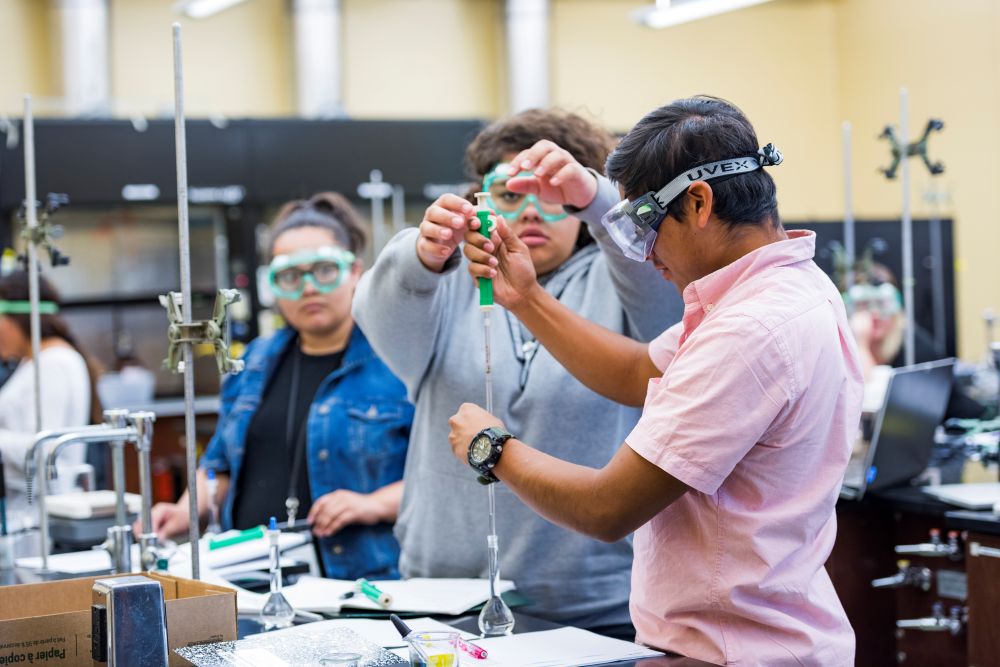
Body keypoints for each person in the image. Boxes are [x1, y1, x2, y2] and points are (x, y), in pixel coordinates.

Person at [450, 96, 863, 665]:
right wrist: (526, 298)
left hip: (734, 651)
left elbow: (607, 509)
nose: (644, 254)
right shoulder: (784, 288)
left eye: (644, 224)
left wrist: (491, 448)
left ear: (698, 202)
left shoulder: (750, 328)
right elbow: (637, 370)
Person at [353, 109, 683, 634]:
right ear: (480, 202)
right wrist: (421, 256)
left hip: (595, 608)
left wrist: (598, 199)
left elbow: (660, 291)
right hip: (443, 601)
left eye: (553, 198)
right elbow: (377, 314)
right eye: (509, 194)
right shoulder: (446, 286)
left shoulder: (626, 279)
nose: (531, 211)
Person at [149, 193, 413, 580]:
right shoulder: (254, 361)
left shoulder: (398, 362)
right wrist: (183, 512)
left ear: (356, 271)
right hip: (248, 577)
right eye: (290, 276)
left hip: (358, 583)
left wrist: (371, 504)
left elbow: (442, 479)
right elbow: (219, 467)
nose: (308, 287)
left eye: (325, 270)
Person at [0, 270, 103, 529]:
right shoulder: (35, 362)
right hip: (25, 514)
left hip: (39, 520)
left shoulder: (54, 364)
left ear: (13, 319)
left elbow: (46, 448)